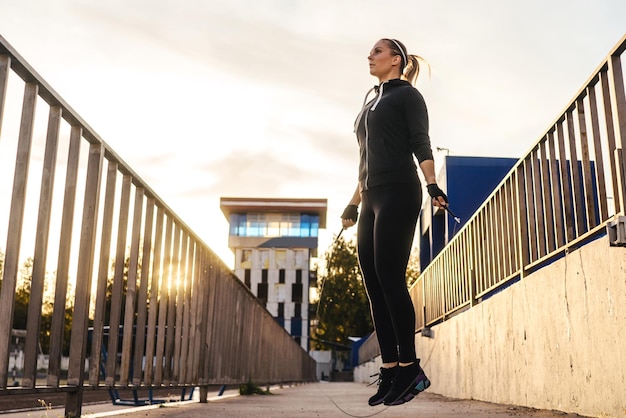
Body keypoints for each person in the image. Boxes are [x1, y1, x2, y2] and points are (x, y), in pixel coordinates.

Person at [340, 38, 448, 407]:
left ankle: (410, 368)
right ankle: (390, 369)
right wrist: (352, 205)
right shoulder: (370, 101)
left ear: (396, 59)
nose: (369, 56)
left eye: (377, 51)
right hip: (370, 197)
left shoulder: (407, 96)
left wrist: (432, 184)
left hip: (399, 191)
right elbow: (365, 160)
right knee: (373, 283)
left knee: (389, 276)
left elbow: (421, 141)